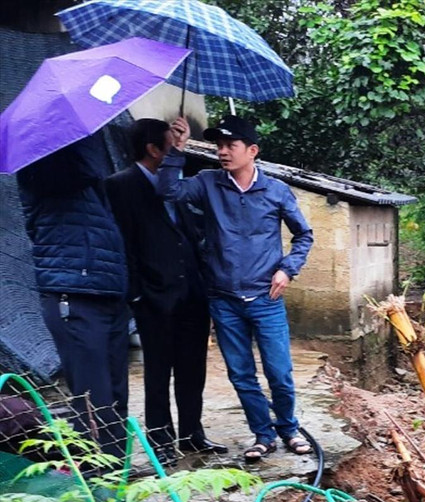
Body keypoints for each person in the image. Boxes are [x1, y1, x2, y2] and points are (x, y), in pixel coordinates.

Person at [159, 114, 313, 461]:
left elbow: (304, 234)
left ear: (252, 150)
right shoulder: (208, 183)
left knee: (279, 372)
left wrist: (287, 269)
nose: (223, 152)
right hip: (225, 299)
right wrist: (177, 150)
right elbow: (167, 191)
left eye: (231, 145)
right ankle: (262, 435)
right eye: (219, 146)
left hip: (266, 297)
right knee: (241, 374)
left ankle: (288, 428)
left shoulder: (275, 191)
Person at [106, 119, 225, 465]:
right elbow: (123, 243)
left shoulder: (178, 183)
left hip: (192, 292)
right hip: (153, 296)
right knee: (158, 371)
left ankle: (192, 434)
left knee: (193, 368)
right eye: (170, 144)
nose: (176, 150)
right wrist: (137, 294)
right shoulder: (120, 186)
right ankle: (160, 440)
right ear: (153, 149)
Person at [16, 135, 129, 463]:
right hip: (74, 296)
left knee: (116, 397)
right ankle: (100, 483)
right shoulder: (42, 166)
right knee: (94, 399)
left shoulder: (93, 185)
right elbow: (77, 171)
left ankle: (116, 472)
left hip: (108, 292)